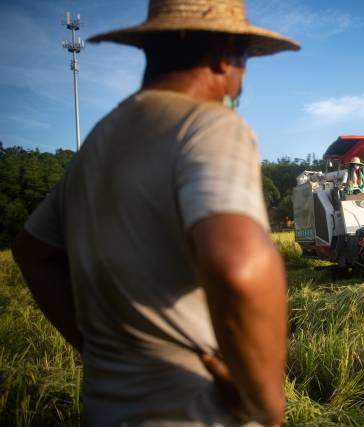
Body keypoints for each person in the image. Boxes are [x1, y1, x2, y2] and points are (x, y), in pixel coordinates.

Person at [10, 1, 299, 426]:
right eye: (245, 57)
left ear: (151, 48)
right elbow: (239, 265)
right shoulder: (210, 124)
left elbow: (32, 253)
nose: (243, 75)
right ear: (225, 54)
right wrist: (267, 401)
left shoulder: (98, 142)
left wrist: (99, 348)